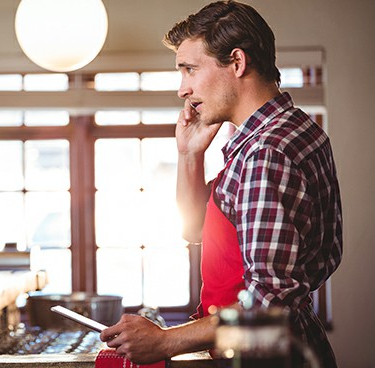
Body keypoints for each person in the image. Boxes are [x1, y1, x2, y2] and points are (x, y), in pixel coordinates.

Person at [99, 1, 343, 367]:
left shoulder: (267, 152)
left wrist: (165, 342)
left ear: (237, 63)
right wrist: (189, 155)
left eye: (190, 70)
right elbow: (196, 228)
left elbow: (269, 304)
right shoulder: (285, 132)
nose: (183, 89)